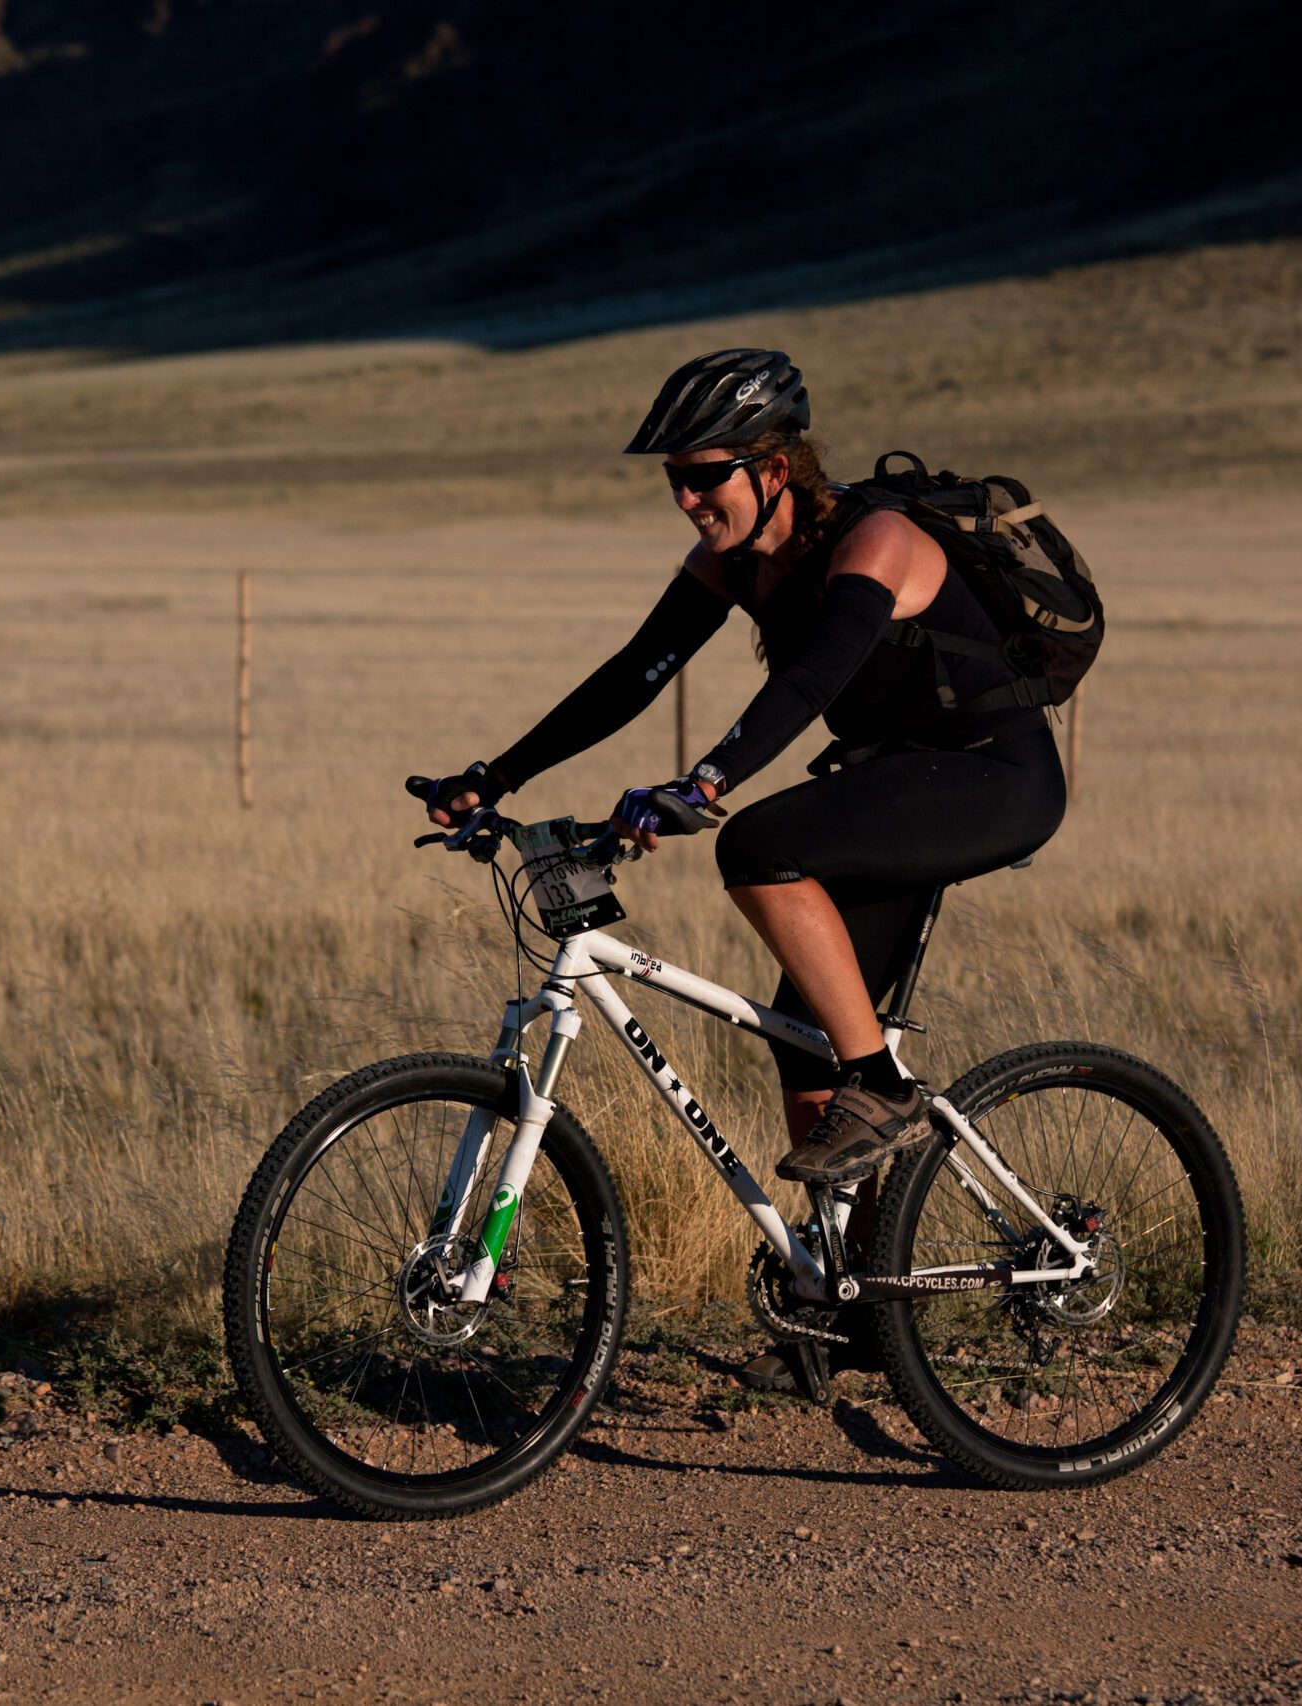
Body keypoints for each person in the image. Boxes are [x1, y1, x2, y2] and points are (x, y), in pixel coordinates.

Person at [423, 350, 1067, 1370]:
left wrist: (707, 782)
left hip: (989, 775)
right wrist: (494, 775)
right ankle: (852, 1299)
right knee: (799, 1033)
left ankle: (884, 1088)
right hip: (887, 781)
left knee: (760, 844)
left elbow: (808, 679)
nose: (685, 497)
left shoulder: (877, 538)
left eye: (704, 473)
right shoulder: (732, 561)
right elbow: (629, 677)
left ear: (774, 465)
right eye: (672, 477)